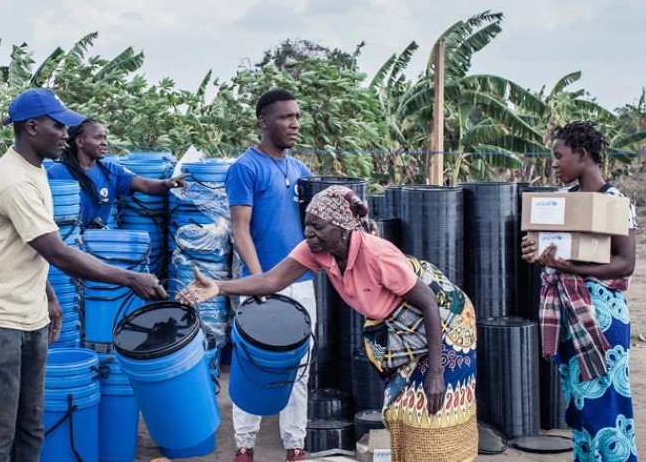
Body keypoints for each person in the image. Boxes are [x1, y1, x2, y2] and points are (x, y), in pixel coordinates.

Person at [179, 186, 479, 462]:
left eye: (318, 227)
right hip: (399, 328)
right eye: (307, 224)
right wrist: (218, 286)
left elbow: (428, 302)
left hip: (444, 321)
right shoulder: (317, 250)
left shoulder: (376, 254)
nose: (309, 233)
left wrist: (437, 371)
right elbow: (271, 280)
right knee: (402, 411)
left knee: (432, 410)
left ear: (344, 230)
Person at [0, 88, 168, 461]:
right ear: (32, 127)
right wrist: (133, 278)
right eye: (59, 126)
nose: (66, 134)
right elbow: (57, 251)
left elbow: (30, 248)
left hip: (27, 311)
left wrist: (48, 297)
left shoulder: (35, 171)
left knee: (31, 424)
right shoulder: (15, 180)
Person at [520, 121, 638, 461]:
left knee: (607, 409)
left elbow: (624, 263)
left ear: (582, 155)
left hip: (601, 319)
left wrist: (571, 268)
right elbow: (555, 252)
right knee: (581, 408)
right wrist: (537, 253)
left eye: (559, 156)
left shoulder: (615, 203)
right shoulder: (564, 202)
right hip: (569, 314)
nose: (554, 164)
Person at [223, 88, 314, 462]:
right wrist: (259, 281)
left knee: (300, 369)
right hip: (259, 285)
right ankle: (245, 447)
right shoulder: (245, 168)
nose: (294, 123)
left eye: (296, 116)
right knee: (252, 366)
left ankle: (295, 446)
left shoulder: (300, 170)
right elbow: (239, 228)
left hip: (302, 284)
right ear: (264, 121)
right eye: (285, 117)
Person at [47, 118, 186, 229]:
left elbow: (146, 185)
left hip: (99, 246)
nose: (104, 143)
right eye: (98, 138)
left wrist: (167, 183)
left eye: (105, 138)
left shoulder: (111, 171)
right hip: (68, 244)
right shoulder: (56, 173)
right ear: (79, 141)